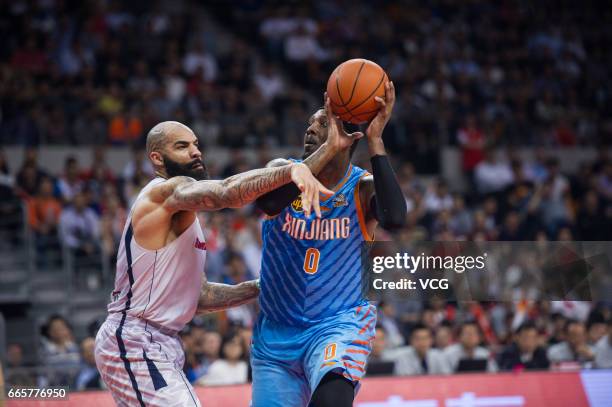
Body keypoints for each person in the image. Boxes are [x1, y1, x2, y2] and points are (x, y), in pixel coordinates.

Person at [94, 120, 335, 407]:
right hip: (135, 338)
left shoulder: (183, 216)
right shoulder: (163, 192)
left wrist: (263, 286)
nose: (195, 151)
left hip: (158, 342)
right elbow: (225, 192)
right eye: (182, 146)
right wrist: (298, 167)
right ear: (157, 158)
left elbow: (200, 296)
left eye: (196, 144)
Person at [251, 83, 406, 407]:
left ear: (350, 136)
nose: (310, 127)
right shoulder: (282, 170)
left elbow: (395, 217)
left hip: (337, 324)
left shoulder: (361, 187)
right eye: (311, 122)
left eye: (322, 123)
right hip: (276, 336)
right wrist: (329, 149)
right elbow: (268, 202)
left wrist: (376, 139)